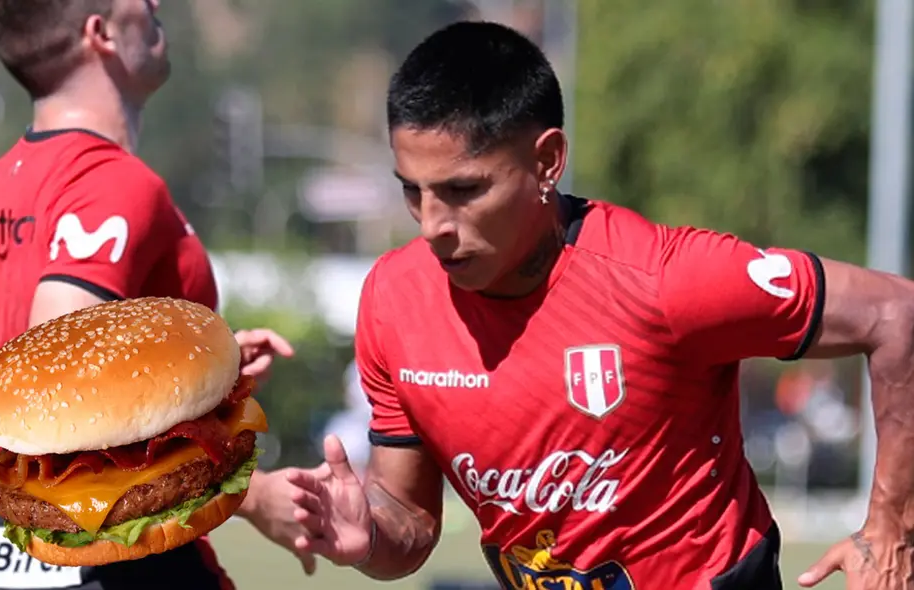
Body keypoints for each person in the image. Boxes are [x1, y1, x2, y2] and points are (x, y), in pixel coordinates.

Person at [272, 21, 914, 589]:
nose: (433, 223)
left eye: (463, 189)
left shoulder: (668, 280)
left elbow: (897, 313)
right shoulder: (393, 299)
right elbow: (408, 522)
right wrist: (368, 537)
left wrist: (891, 529)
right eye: (413, 191)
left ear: (547, 160)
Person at [0, 1, 300, 588]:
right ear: (100, 32)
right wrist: (252, 493)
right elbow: (64, 395)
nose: (155, 4)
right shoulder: (113, 183)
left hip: (10, 552)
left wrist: (194, 388)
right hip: (113, 558)